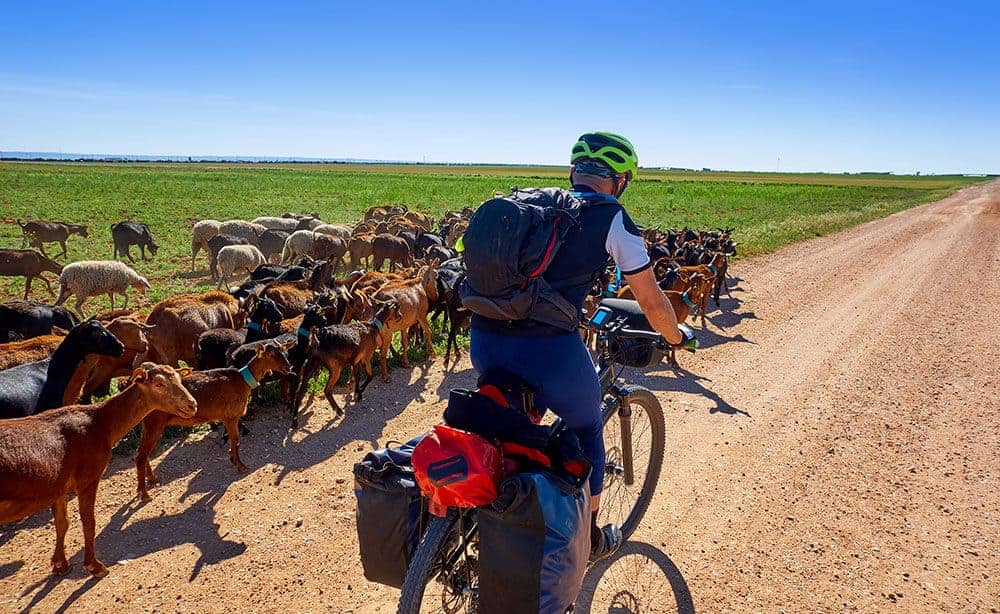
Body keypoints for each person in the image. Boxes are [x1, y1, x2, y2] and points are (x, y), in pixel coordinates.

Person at [468, 131, 686, 561]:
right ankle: (587, 540)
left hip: (486, 339)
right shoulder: (612, 216)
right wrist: (677, 335)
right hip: (551, 353)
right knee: (586, 428)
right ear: (621, 181)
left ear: (573, 172)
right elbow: (652, 300)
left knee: (509, 419)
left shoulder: (530, 201)